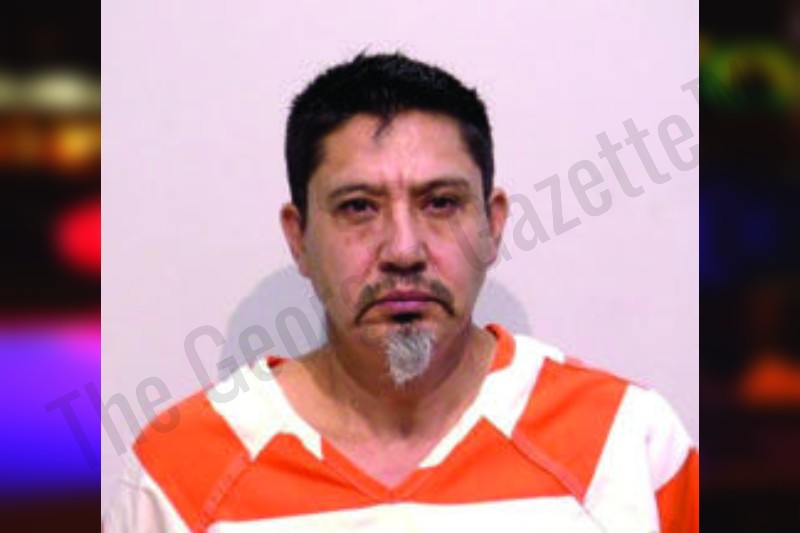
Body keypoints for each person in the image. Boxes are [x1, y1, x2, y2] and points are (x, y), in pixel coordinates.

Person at [104, 53, 698, 532]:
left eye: (441, 203)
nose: (404, 250)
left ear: (493, 226)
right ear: (299, 238)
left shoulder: (627, 444)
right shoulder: (177, 475)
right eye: (358, 207)